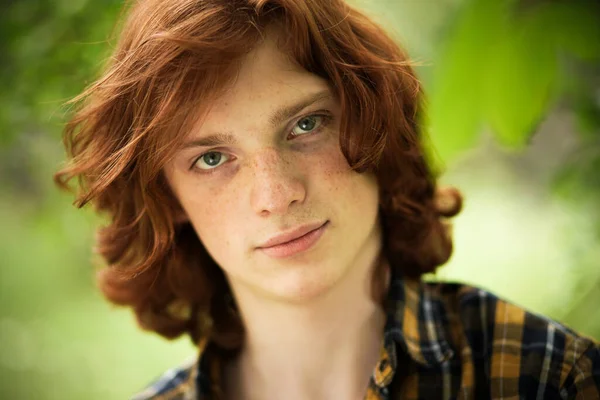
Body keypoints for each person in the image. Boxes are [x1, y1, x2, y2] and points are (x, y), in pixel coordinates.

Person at [55, 0, 600, 399]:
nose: (276, 194)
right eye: (212, 158)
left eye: (305, 124)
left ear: (372, 123)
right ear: (167, 197)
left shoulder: (547, 375)